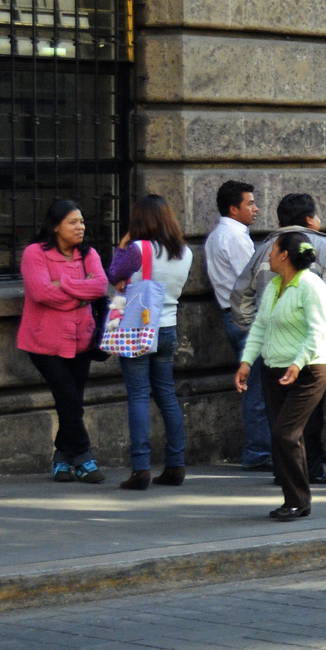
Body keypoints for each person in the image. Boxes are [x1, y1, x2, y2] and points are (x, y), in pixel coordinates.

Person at [229, 193, 326, 487]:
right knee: (306, 410)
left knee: (280, 413)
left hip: (274, 348)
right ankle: (308, 470)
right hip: (306, 347)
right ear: (311, 219)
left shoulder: (265, 248)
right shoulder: (325, 246)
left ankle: (285, 471)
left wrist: (256, 330)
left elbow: (240, 293)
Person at [236, 231, 326, 520]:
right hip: (274, 369)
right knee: (284, 437)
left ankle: (299, 500)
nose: (268, 254)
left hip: (308, 371)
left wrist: (297, 363)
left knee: (285, 433)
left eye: (273, 249)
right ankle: (294, 499)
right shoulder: (275, 286)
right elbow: (260, 327)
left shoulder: (312, 287)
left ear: (284, 256)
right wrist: (246, 362)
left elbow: (318, 333)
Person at [19, 199, 112, 484]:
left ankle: (61, 458)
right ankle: (83, 456)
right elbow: (41, 293)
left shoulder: (89, 254)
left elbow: (99, 286)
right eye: (73, 222)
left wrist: (63, 285)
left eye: (82, 221)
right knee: (69, 399)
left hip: (82, 341)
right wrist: (79, 294)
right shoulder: (35, 253)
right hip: (44, 342)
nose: (80, 227)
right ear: (56, 226)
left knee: (72, 402)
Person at [107, 195, 193, 490]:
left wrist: (121, 246)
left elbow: (115, 274)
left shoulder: (137, 248)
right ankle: (176, 464)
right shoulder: (185, 252)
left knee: (139, 397)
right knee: (167, 395)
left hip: (137, 328)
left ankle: (141, 468)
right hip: (168, 327)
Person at [204, 179, 269, 471]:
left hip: (232, 314)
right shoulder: (234, 237)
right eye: (250, 203)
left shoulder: (219, 235)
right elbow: (252, 279)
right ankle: (259, 451)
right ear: (233, 208)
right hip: (246, 318)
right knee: (256, 388)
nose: (255, 209)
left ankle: (260, 449)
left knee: (254, 384)